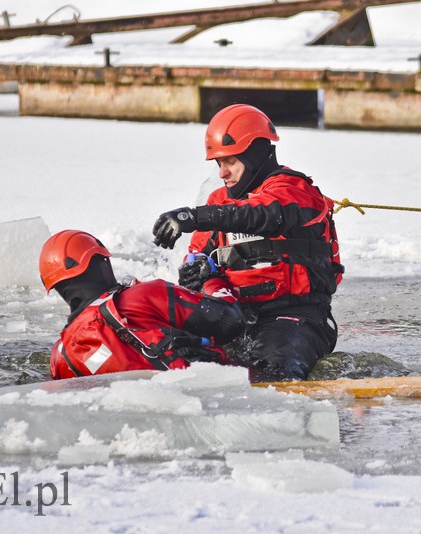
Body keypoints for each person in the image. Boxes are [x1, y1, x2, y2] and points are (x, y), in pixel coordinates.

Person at [152, 104, 343, 382]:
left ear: (254, 155)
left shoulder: (295, 191)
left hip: (295, 318)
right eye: (219, 164)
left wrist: (193, 217)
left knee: (270, 374)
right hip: (233, 318)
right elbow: (197, 257)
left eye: (231, 162)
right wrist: (198, 274)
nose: (223, 173)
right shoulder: (219, 201)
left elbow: (262, 214)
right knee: (172, 352)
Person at [39, 229, 245, 379]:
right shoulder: (140, 296)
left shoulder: (59, 357)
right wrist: (210, 279)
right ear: (100, 262)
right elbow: (231, 321)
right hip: (198, 402)